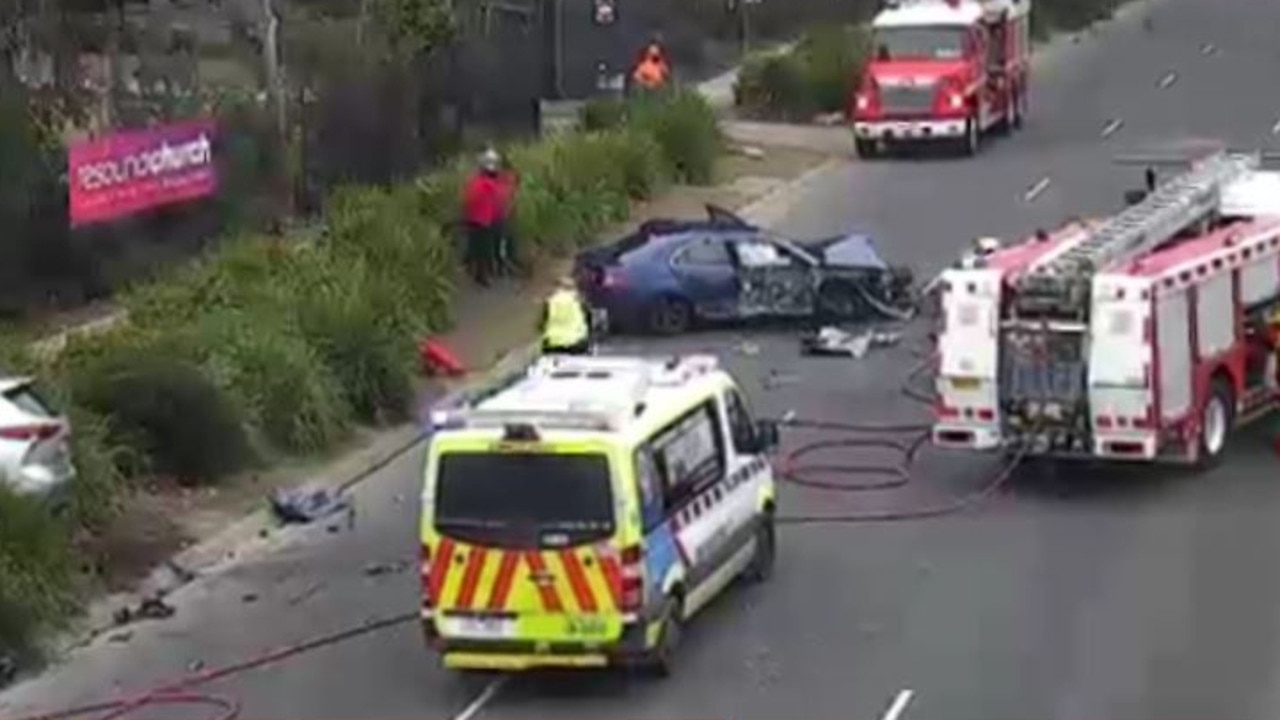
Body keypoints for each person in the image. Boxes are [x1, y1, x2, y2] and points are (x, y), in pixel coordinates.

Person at [461, 148, 515, 286]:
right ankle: (484, 273)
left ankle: (478, 270)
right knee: (485, 248)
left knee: (477, 246)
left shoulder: (475, 182)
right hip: (486, 219)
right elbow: (501, 199)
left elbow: (468, 199)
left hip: (475, 219)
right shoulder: (492, 184)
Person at [540, 276, 591, 355]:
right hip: (576, 343)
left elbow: (541, 322)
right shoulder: (579, 301)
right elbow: (588, 321)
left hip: (551, 344)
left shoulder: (549, 301)